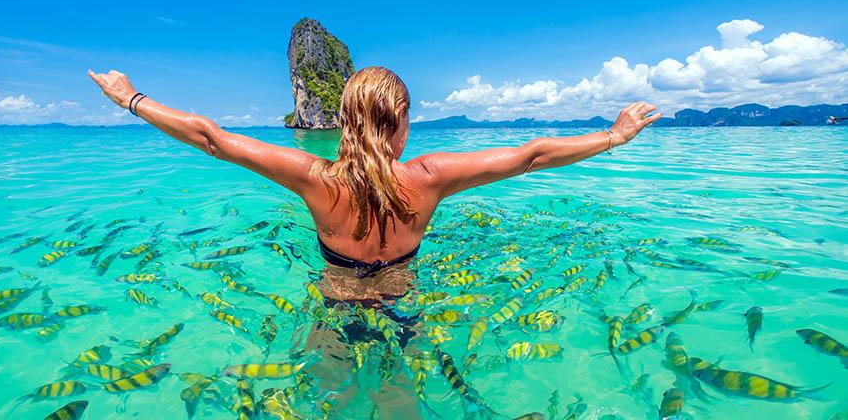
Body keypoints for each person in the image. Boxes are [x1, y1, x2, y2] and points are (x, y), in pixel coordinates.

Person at [88, 66, 661, 278]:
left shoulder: (316, 178)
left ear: (342, 122)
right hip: (406, 297)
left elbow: (212, 138)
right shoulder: (430, 176)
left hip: (338, 301)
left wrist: (131, 99)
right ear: (403, 125)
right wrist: (614, 135)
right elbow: (534, 153)